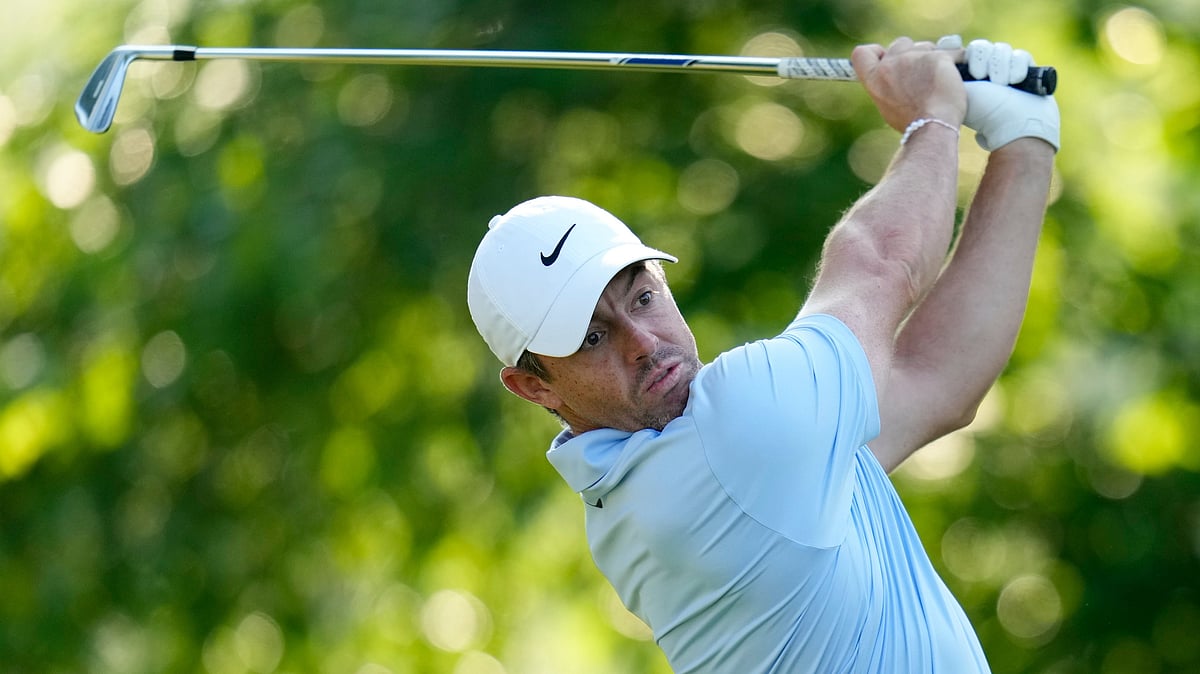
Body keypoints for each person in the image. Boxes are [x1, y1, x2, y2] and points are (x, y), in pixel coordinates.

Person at [467, 34, 1059, 673]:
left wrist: (1023, 138)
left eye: (641, 298)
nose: (643, 344)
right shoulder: (730, 446)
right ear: (535, 388)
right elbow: (878, 261)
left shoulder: (699, 469)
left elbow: (934, 380)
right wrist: (931, 114)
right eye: (591, 338)